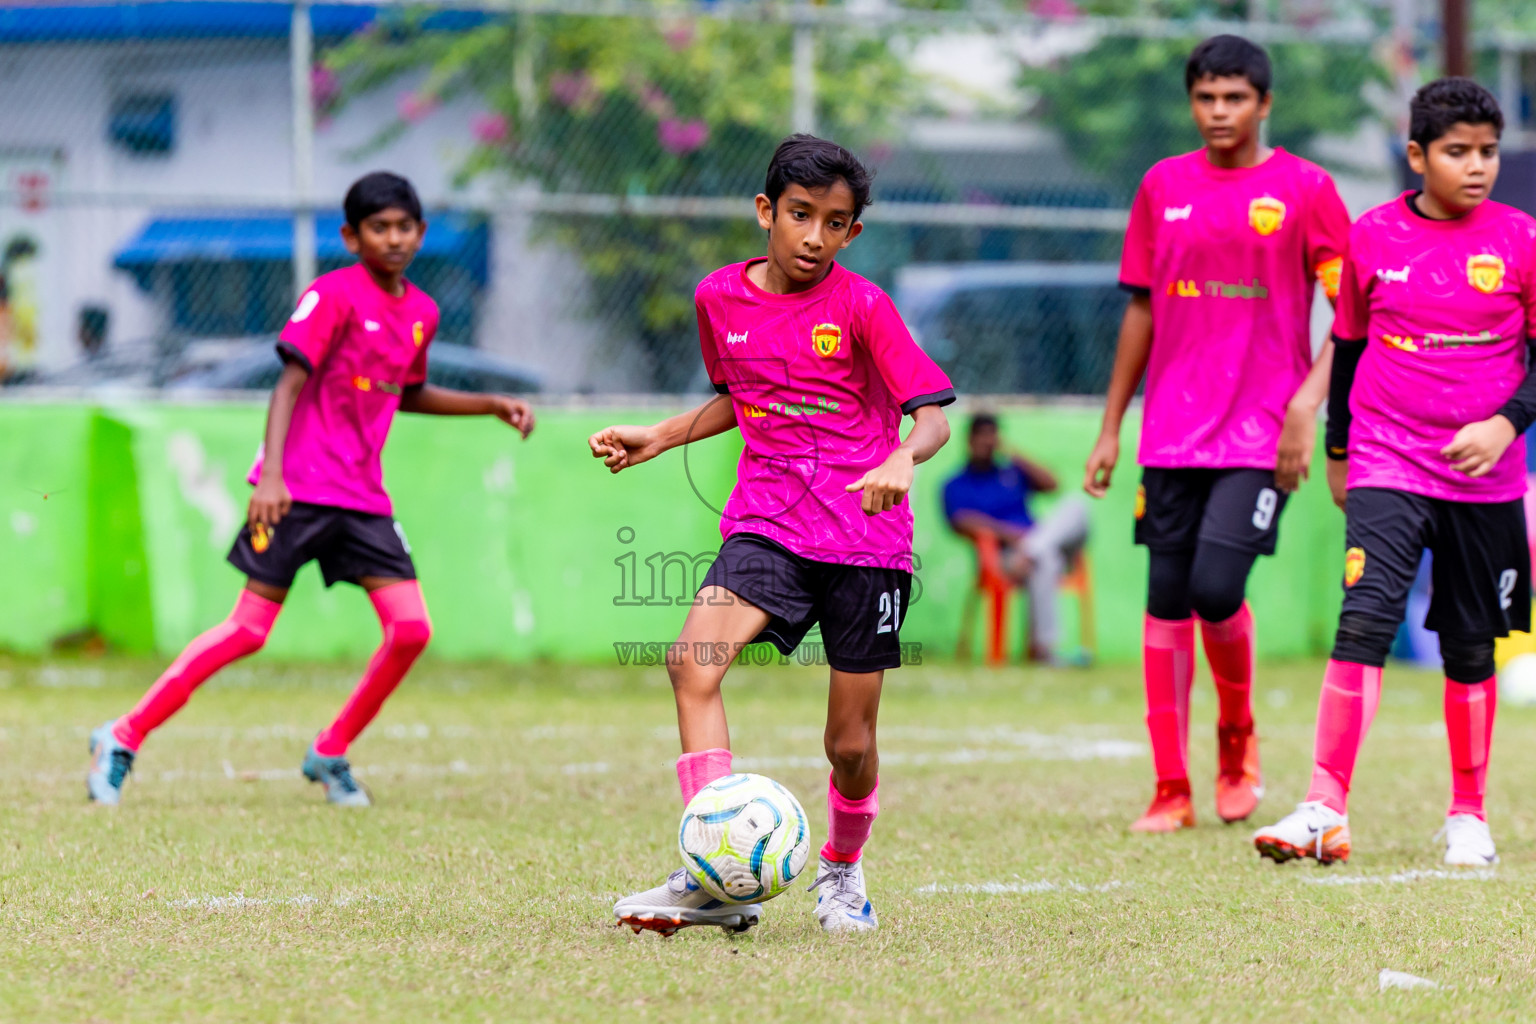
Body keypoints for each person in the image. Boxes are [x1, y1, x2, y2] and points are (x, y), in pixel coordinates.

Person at [588, 135, 954, 936]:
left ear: (854, 232)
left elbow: (930, 419)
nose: (814, 236)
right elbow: (742, 398)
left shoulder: (863, 307)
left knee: (849, 744)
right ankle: (714, 877)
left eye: (835, 222)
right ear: (766, 212)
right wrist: (662, 434)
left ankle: (843, 870)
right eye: (799, 215)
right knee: (693, 664)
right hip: (769, 522)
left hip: (865, 536)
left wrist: (900, 457)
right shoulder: (719, 298)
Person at [86, 172, 536, 807]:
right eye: (379, 227)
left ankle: (329, 751)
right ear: (353, 237)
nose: (394, 237)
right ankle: (122, 736)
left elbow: (406, 393)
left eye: (404, 226)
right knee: (247, 630)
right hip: (296, 490)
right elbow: (287, 385)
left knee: (410, 629)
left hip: (362, 499)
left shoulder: (423, 313)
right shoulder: (332, 296)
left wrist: (488, 403)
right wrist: (271, 477)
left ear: (421, 233)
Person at [1253, 79, 1534, 867]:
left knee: (1470, 646)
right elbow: (1347, 348)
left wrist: (1504, 422)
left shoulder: (1521, 239)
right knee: (1366, 616)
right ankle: (1323, 805)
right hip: (1388, 455)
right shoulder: (1372, 237)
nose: (1476, 166)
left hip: (1488, 476)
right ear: (1417, 155)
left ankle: (1469, 815)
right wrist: (1340, 449)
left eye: (1486, 152)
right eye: (1457, 152)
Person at [1081, 35, 1351, 832]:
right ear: (1192, 102)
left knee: (1213, 591)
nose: (1220, 112)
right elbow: (1140, 308)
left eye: (1235, 98)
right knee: (1166, 599)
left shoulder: (1307, 189)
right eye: (1207, 98)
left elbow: (1353, 313)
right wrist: (1110, 428)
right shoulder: (1163, 186)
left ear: (1264, 104)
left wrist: (1308, 406)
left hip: (1262, 434)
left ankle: (1238, 744)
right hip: (1170, 431)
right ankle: (1171, 788)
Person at [943, 412, 1089, 664]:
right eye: (982, 437)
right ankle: (1045, 653)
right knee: (1046, 559)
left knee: (1076, 506)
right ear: (969, 441)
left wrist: (1013, 453)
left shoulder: (1012, 472)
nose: (988, 442)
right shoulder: (957, 483)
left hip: (1033, 547)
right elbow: (960, 521)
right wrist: (1009, 535)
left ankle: (1034, 548)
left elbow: (1053, 484)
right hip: (1005, 557)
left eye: (993, 436)